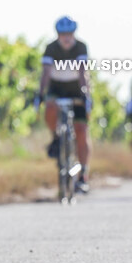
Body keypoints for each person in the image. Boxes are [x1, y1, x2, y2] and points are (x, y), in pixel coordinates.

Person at [35, 16, 92, 193]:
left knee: (81, 130)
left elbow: (83, 72)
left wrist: (85, 94)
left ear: (74, 34)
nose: (66, 37)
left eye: (69, 34)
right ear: (58, 34)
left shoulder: (81, 47)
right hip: (57, 88)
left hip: (76, 89)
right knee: (50, 107)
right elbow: (45, 73)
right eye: (62, 34)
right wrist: (40, 94)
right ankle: (56, 138)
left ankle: (83, 174)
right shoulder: (51, 48)